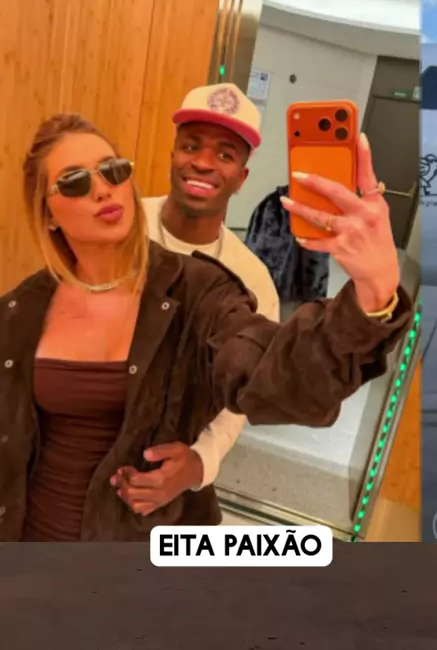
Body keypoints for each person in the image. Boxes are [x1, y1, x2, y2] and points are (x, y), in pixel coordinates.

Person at [0, 112, 411, 542]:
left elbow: (277, 379)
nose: (102, 188)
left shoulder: (201, 291)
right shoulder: (21, 308)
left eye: (112, 170)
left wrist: (373, 294)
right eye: (75, 182)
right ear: (47, 212)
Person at [142, 84, 280, 506]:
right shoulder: (121, 225)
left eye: (225, 154)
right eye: (191, 146)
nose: (203, 163)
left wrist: (200, 461)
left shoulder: (252, 282)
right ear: (172, 154)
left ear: (242, 177)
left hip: (160, 459)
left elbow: (238, 398)